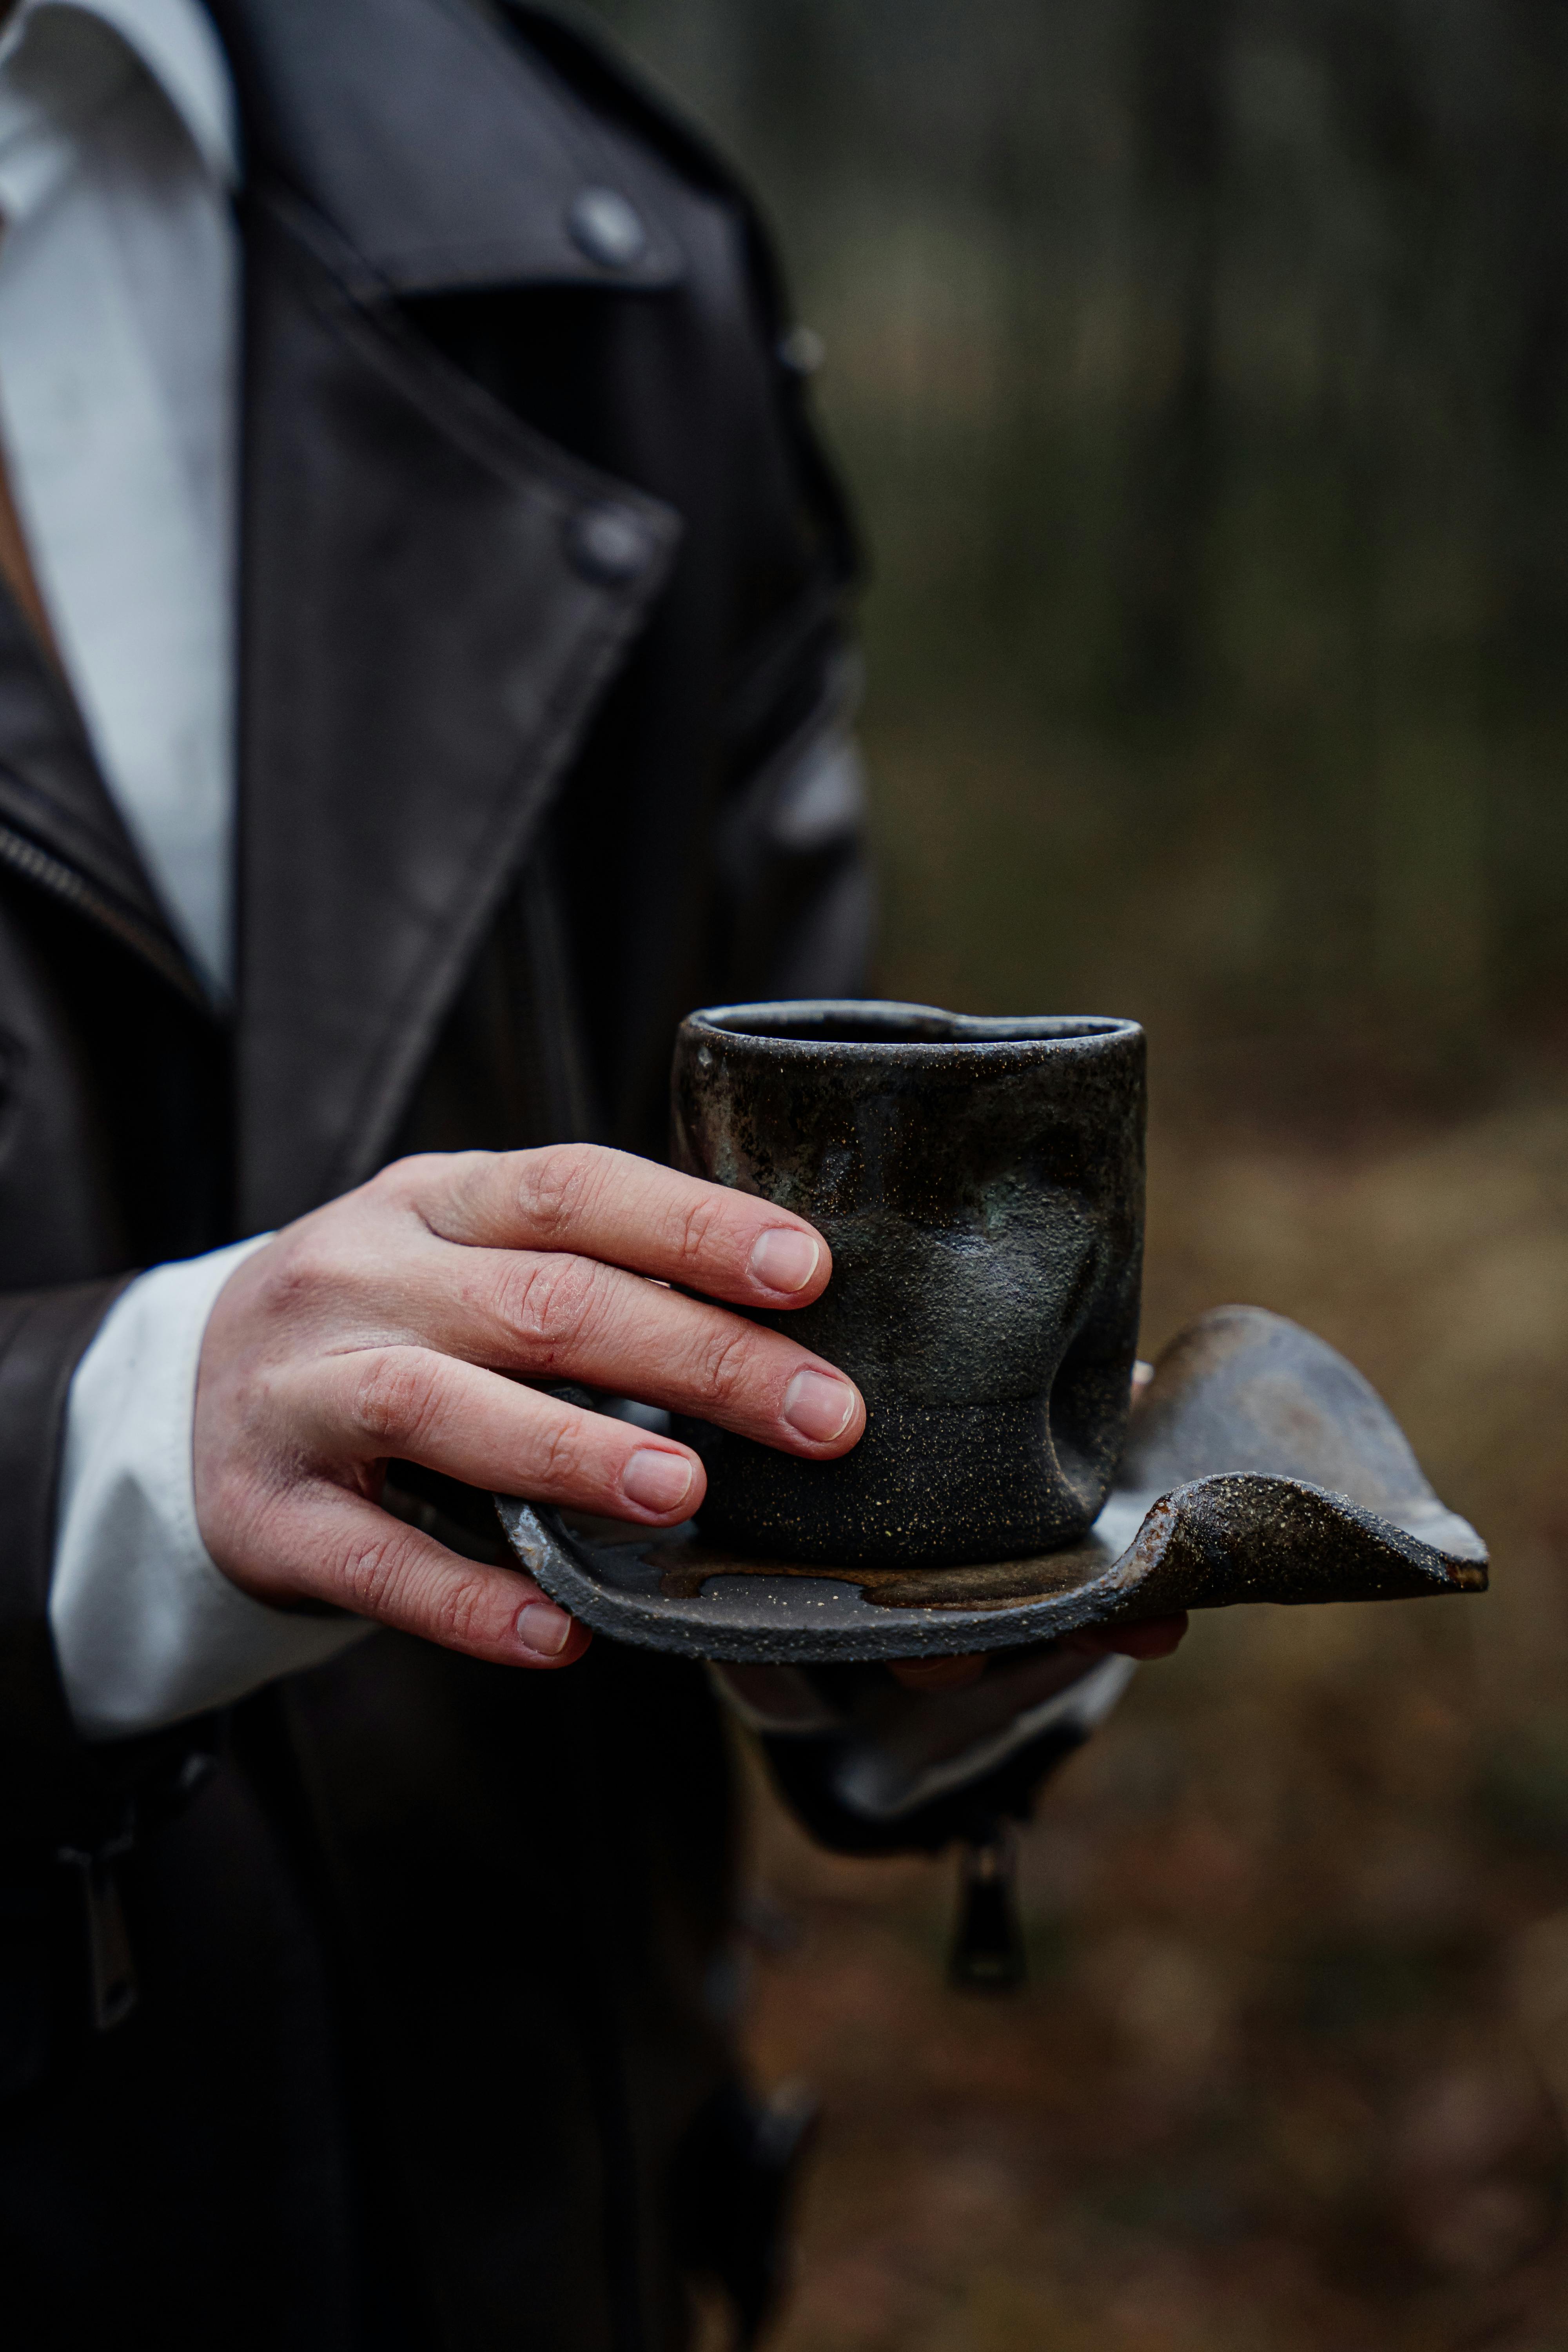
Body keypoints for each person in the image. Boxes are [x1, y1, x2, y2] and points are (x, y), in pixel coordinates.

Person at [0, 2, 1183, 2343]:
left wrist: (943, 1595)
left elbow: (788, 1183)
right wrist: (122, 1450)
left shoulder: (598, 249)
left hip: (562, 2221)